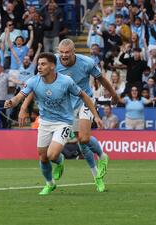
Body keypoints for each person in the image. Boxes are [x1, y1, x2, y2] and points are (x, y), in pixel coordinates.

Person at [19, 39, 118, 192]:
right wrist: (24, 107)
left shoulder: (87, 62)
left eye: (67, 53)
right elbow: (36, 85)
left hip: (85, 100)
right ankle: (96, 176)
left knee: (84, 138)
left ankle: (102, 156)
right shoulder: (51, 63)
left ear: (74, 52)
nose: (64, 56)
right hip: (67, 105)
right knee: (81, 143)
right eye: (61, 52)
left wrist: (113, 94)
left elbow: (102, 79)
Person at [4, 52, 103, 195]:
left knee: (52, 154)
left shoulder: (66, 81)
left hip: (63, 122)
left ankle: (60, 159)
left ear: (52, 66)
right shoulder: (33, 81)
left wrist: (96, 115)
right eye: (38, 64)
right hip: (45, 122)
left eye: (43, 64)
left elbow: (83, 95)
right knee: (43, 157)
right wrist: (11, 102)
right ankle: (50, 184)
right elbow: (20, 96)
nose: (39, 67)